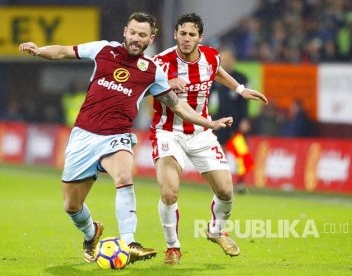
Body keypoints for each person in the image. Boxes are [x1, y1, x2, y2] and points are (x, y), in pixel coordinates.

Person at [18, 12, 233, 265]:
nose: (136, 38)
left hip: (117, 135)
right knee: (71, 206)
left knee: (123, 177)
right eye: (133, 32)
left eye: (143, 35)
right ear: (125, 31)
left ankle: (129, 242)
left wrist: (208, 122)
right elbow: (64, 51)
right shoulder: (103, 50)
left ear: (150, 38)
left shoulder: (152, 71)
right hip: (84, 136)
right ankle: (91, 232)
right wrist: (39, 50)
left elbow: (177, 105)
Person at [150, 13, 268, 265]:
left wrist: (240, 90)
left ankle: (216, 230)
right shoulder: (161, 62)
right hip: (169, 132)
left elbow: (218, 72)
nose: (186, 39)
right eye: (182, 33)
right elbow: (152, 89)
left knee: (226, 190)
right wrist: (167, 82)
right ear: (175, 34)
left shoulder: (211, 56)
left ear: (199, 38)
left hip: (201, 134)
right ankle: (173, 248)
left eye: (192, 34)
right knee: (169, 192)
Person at [209, 47, 253, 194]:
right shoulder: (215, 78)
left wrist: (245, 119)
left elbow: (245, 101)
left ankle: (241, 183)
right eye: (222, 59)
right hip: (220, 121)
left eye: (227, 59)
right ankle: (221, 183)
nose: (225, 62)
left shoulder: (242, 78)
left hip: (237, 121)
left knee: (241, 153)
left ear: (233, 61)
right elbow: (209, 99)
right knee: (220, 151)